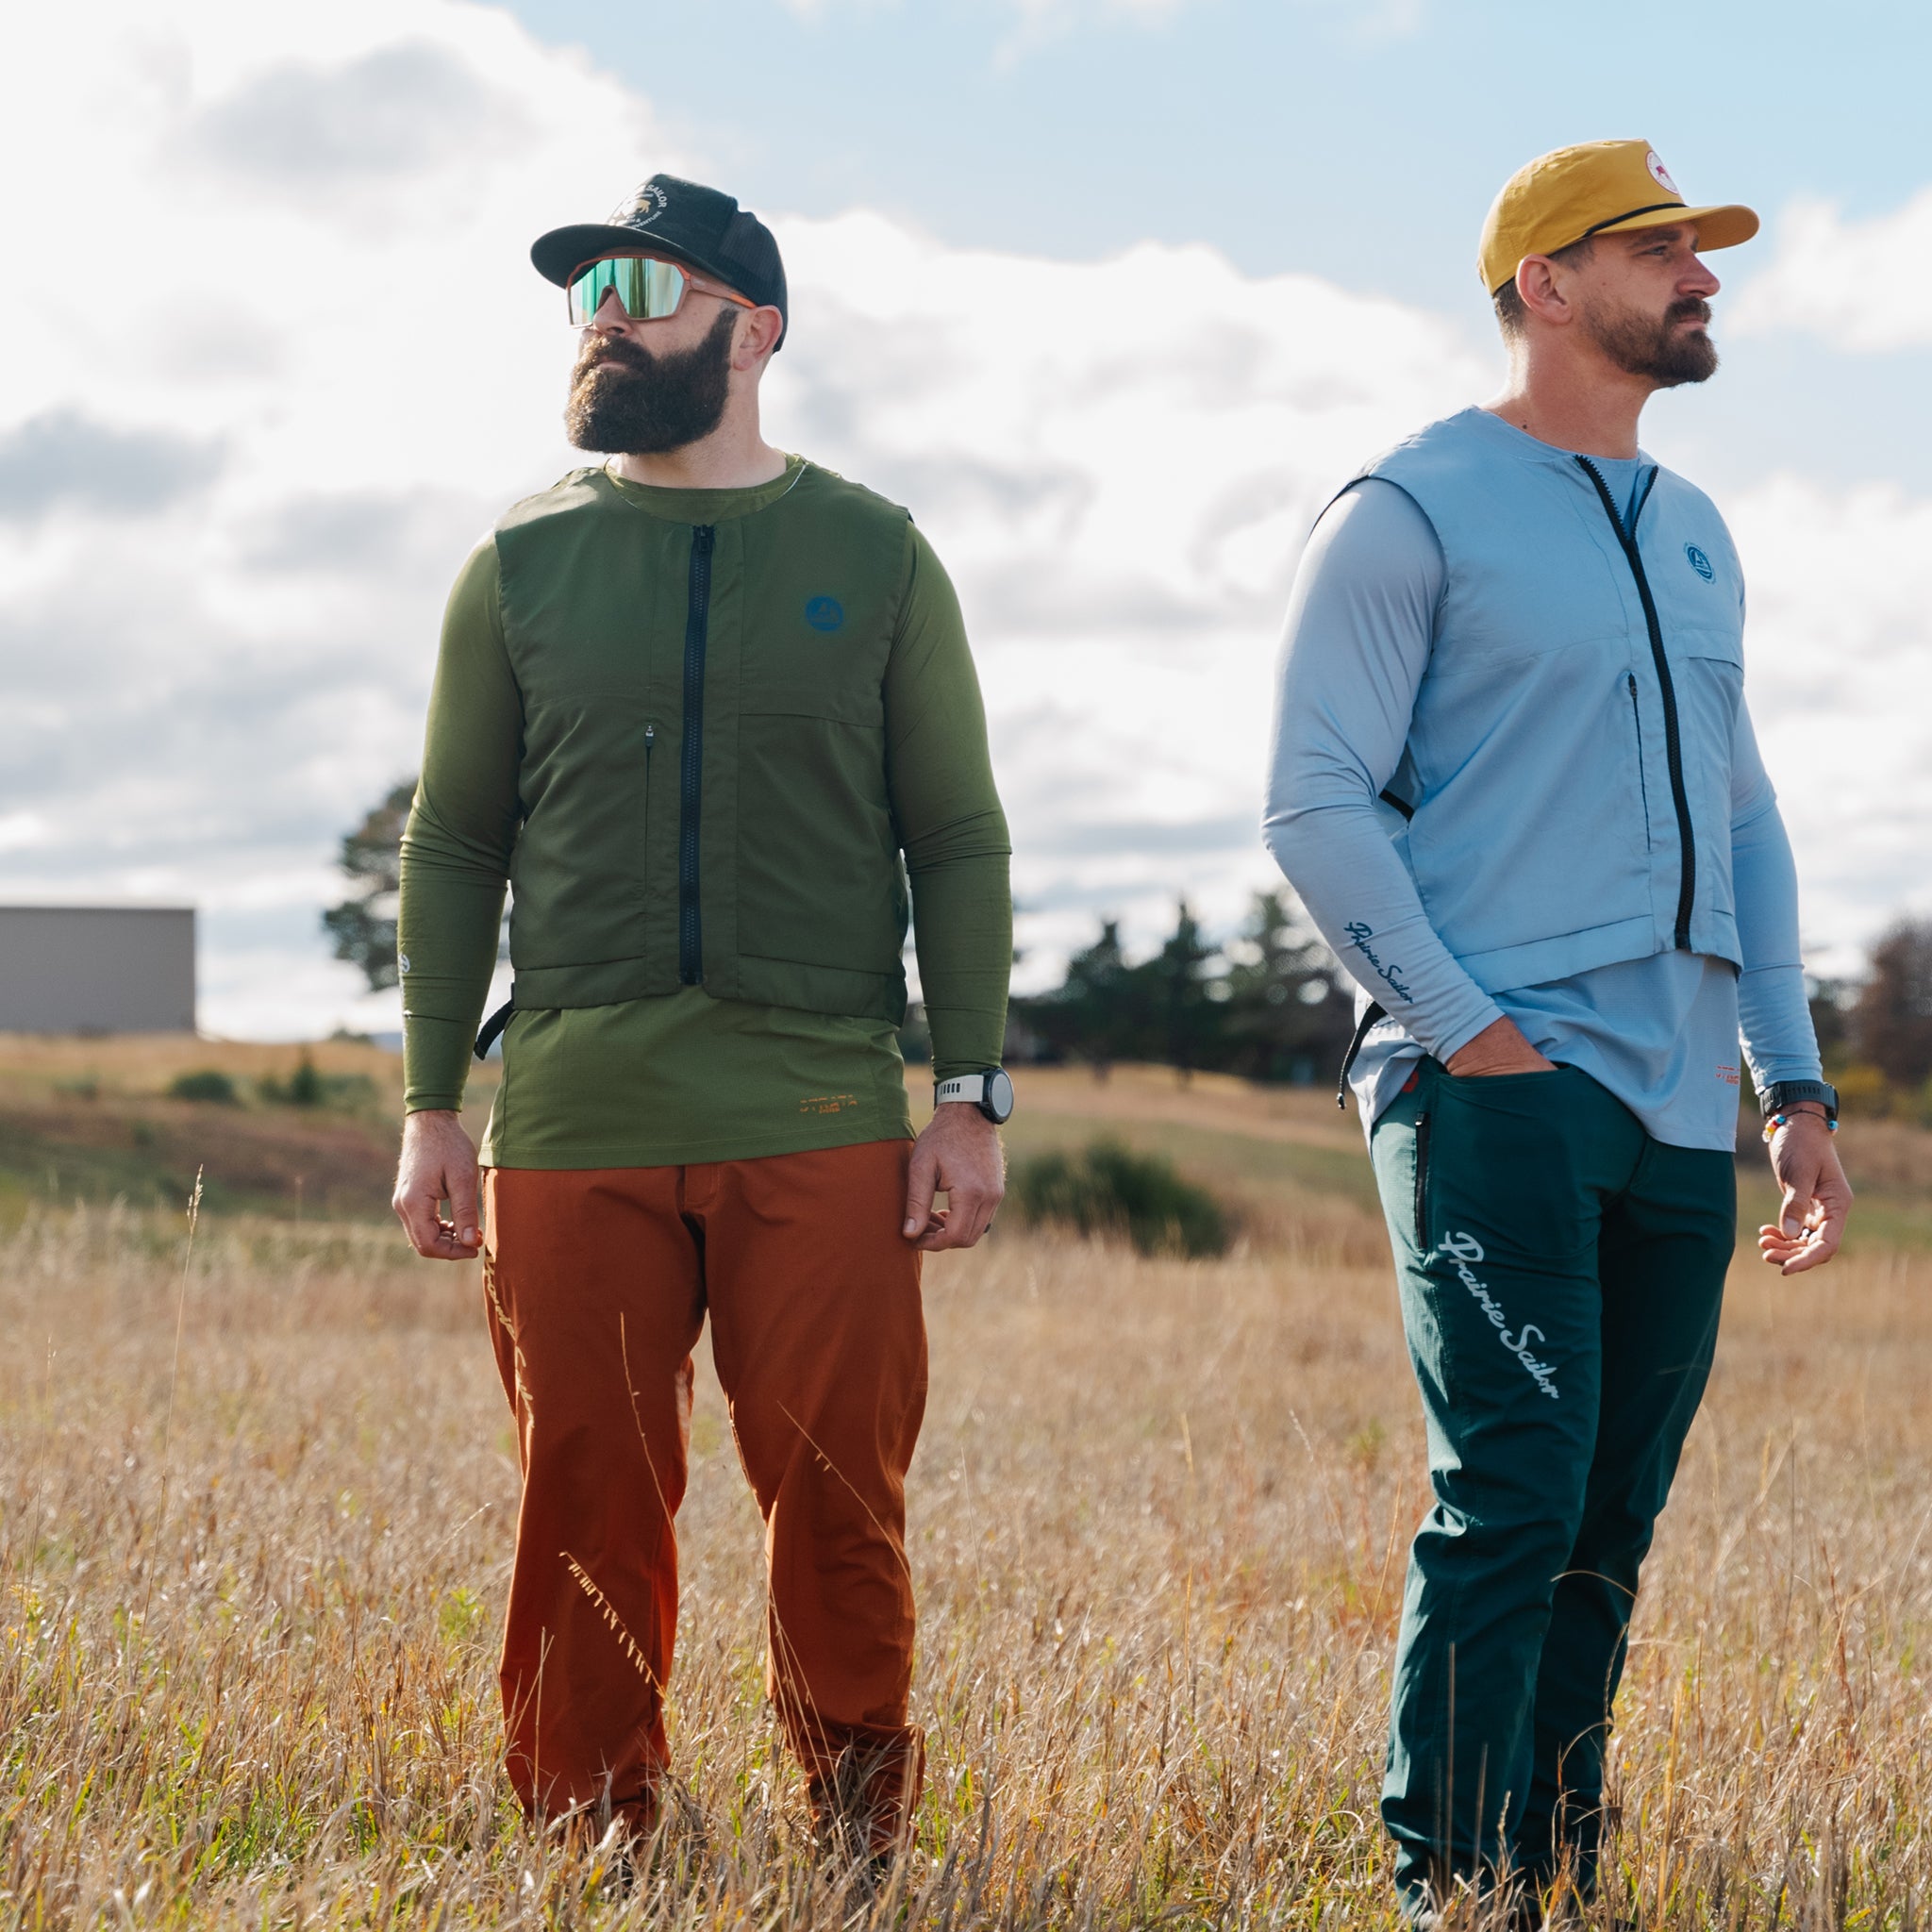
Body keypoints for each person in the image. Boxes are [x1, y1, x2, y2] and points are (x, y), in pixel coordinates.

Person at [390, 174, 1015, 1867]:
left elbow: (956, 836)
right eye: (589, 290)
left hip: (818, 1109)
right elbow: (454, 842)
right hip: (573, 1119)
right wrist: (432, 1104)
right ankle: (592, 1836)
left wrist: (968, 1098)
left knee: (838, 1497)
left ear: (755, 330)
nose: (608, 317)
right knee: (583, 1497)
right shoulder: (518, 562)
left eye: (645, 288)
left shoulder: (876, 554)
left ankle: (858, 1837)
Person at [1263, 140, 1852, 1924]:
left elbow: (1746, 821)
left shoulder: (1695, 530)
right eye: (1658, 246)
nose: (1702, 276)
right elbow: (1312, 799)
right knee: (1514, 1497)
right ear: (1546, 282)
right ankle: (1450, 1885)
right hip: (1497, 1085)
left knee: (1608, 1520)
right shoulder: (1409, 509)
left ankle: (1555, 1873)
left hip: (1681, 1108)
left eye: (1699, 249)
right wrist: (1469, 1035)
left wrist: (1791, 1085)